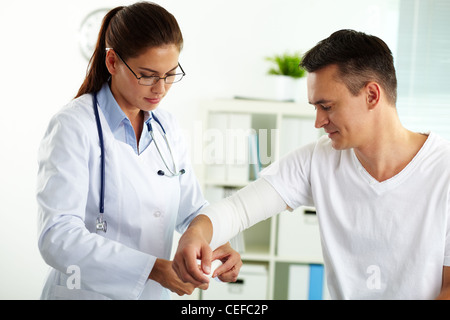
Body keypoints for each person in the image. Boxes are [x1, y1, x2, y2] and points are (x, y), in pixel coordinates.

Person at [172, 29, 450, 300]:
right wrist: (196, 234)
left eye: (327, 106)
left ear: (372, 95)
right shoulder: (319, 159)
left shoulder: (444, 170)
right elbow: (238, 209)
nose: (318, 122)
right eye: (315, 108)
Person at [36, 2, 241, 300]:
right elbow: (57, 236)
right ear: (112, 62)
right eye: (147, 74)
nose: (161, 88)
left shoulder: (167, 127)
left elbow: (192, 210)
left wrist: (217, 245)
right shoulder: (73, 126)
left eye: (171, 74)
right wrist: (152, 268)